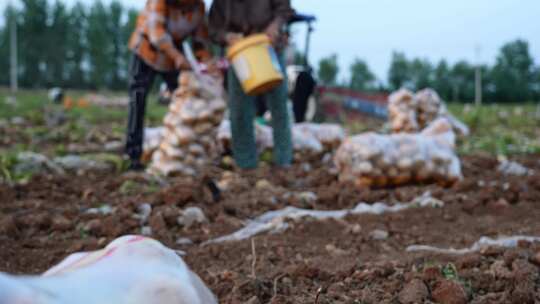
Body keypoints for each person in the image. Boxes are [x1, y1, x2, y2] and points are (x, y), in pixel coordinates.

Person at [209, 0, 295, 170]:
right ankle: (245, 163)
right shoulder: (220, 4)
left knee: (279, 106)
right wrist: (226, 37)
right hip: (240, 53)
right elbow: (213, 28)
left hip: (269, 49)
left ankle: (283, 161)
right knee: (239, 110)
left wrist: (274, 26)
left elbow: (284, 10)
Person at [126, 0, 209, 170]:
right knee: (137, 100)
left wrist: (205, 60)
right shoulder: (159, 2)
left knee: (183, 100)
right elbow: (157, 34)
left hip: (174, 55)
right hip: (147, 50)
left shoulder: (199, 7)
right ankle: (133, 154)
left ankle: (182, 150)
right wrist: (177, 57)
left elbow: (200, 39)